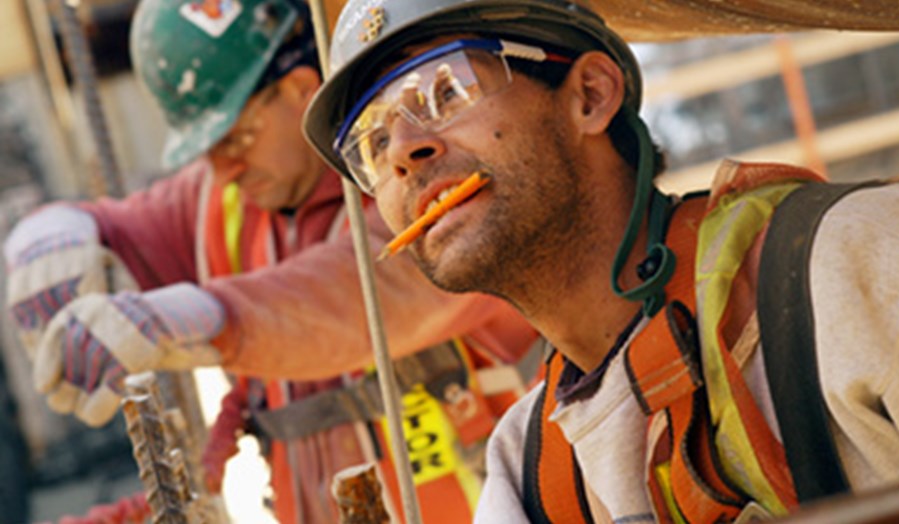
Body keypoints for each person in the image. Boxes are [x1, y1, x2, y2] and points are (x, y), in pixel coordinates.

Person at [302, 0, 899, 522]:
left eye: (446, 89)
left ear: (591, 96)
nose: (404, 150)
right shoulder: (528, 475)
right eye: (373, 139)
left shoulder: (862, 267)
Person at [2, 1, 540, 522]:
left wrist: (202, 316)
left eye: (236, 137)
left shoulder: (421, 187)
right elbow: (122, 224)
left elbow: (361, 293)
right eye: (207, 148)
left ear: (303, 91)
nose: (224, 167)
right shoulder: (229, 197)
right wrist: (54, 234)